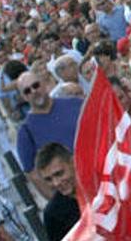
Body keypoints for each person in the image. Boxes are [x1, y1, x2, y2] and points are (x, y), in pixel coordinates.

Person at [15, 70, 82, 199]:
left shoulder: (75, 104)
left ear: (44, 84)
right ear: (24, 97)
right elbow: (33, 174)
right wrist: (60, 201)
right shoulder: (25, 132)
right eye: (27, 91)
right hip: (72, 195)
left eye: (35, 85)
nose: (34, 91)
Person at [35, 143, 81, 241]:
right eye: (48, 179)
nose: (56, 183)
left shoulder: (101, 186)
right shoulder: (53, 214)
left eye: (59, 174)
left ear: (73, 162)